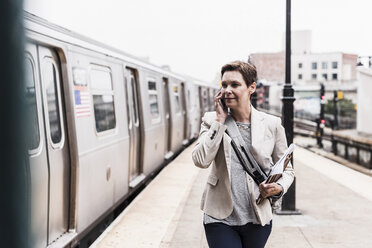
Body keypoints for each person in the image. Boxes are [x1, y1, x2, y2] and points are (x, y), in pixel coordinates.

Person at [192, 61, 294, 248]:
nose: (227, 90)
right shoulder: (210, 121)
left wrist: (278, 187)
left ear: (251, 87)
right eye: (224, 85)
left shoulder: (272, 124)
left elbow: (288, 171)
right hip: (219, 217)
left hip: (257, 217)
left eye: (235, 85)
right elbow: (200, 160)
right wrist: (220, 122)